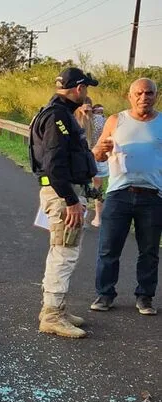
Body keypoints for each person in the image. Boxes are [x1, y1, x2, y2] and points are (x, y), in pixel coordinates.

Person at [28, 67, 99, 338]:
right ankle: (52, 315)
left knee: (61, 251)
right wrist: (71, 200)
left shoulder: (57, 113)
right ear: (79, 88)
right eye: (86, 89)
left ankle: (56, 308)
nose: (87, 94)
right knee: (64, 253)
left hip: (60, 193)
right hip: (62, 195)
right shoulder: (58, 117)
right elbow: (54, 163)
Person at [90, 78, 162, 316]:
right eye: (139, 93)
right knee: (109, 248)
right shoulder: (115, 120)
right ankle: (105, 294)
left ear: (156, 95)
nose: (144, 98)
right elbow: (98, 155)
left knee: (149, 251)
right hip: (119, 193)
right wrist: (101, 150)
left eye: (149, 93)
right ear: (130, 96)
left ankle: (145, 297)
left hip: (152, 195)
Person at [74, 98, 109, 227]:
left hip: (82, 158)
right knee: (97, 188)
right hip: (96, 157)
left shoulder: (73, 119)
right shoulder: (99, 120)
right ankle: (98, 218)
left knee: (82, 188)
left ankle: (83, 218)